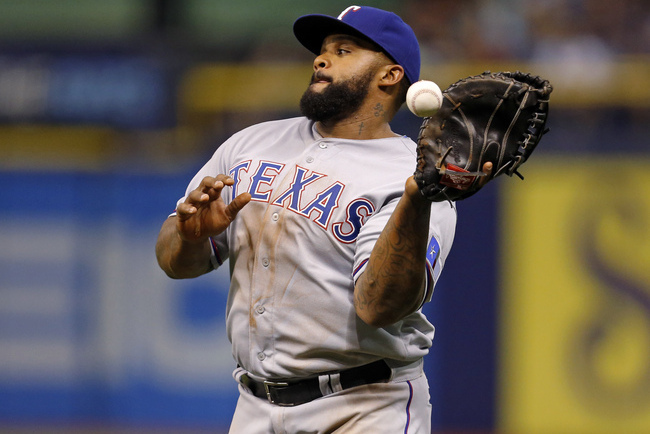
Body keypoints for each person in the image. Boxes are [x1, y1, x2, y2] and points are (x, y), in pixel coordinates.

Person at [156, 5, 487, 433]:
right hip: (254, 406)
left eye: (344, 50)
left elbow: (379, 306)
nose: (321, 58)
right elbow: (173, 262)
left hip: (364, 407)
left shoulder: (416, 177)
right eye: (323, 50)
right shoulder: (251, 143)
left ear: (389, 75)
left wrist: (416, 200)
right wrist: (189, 237)